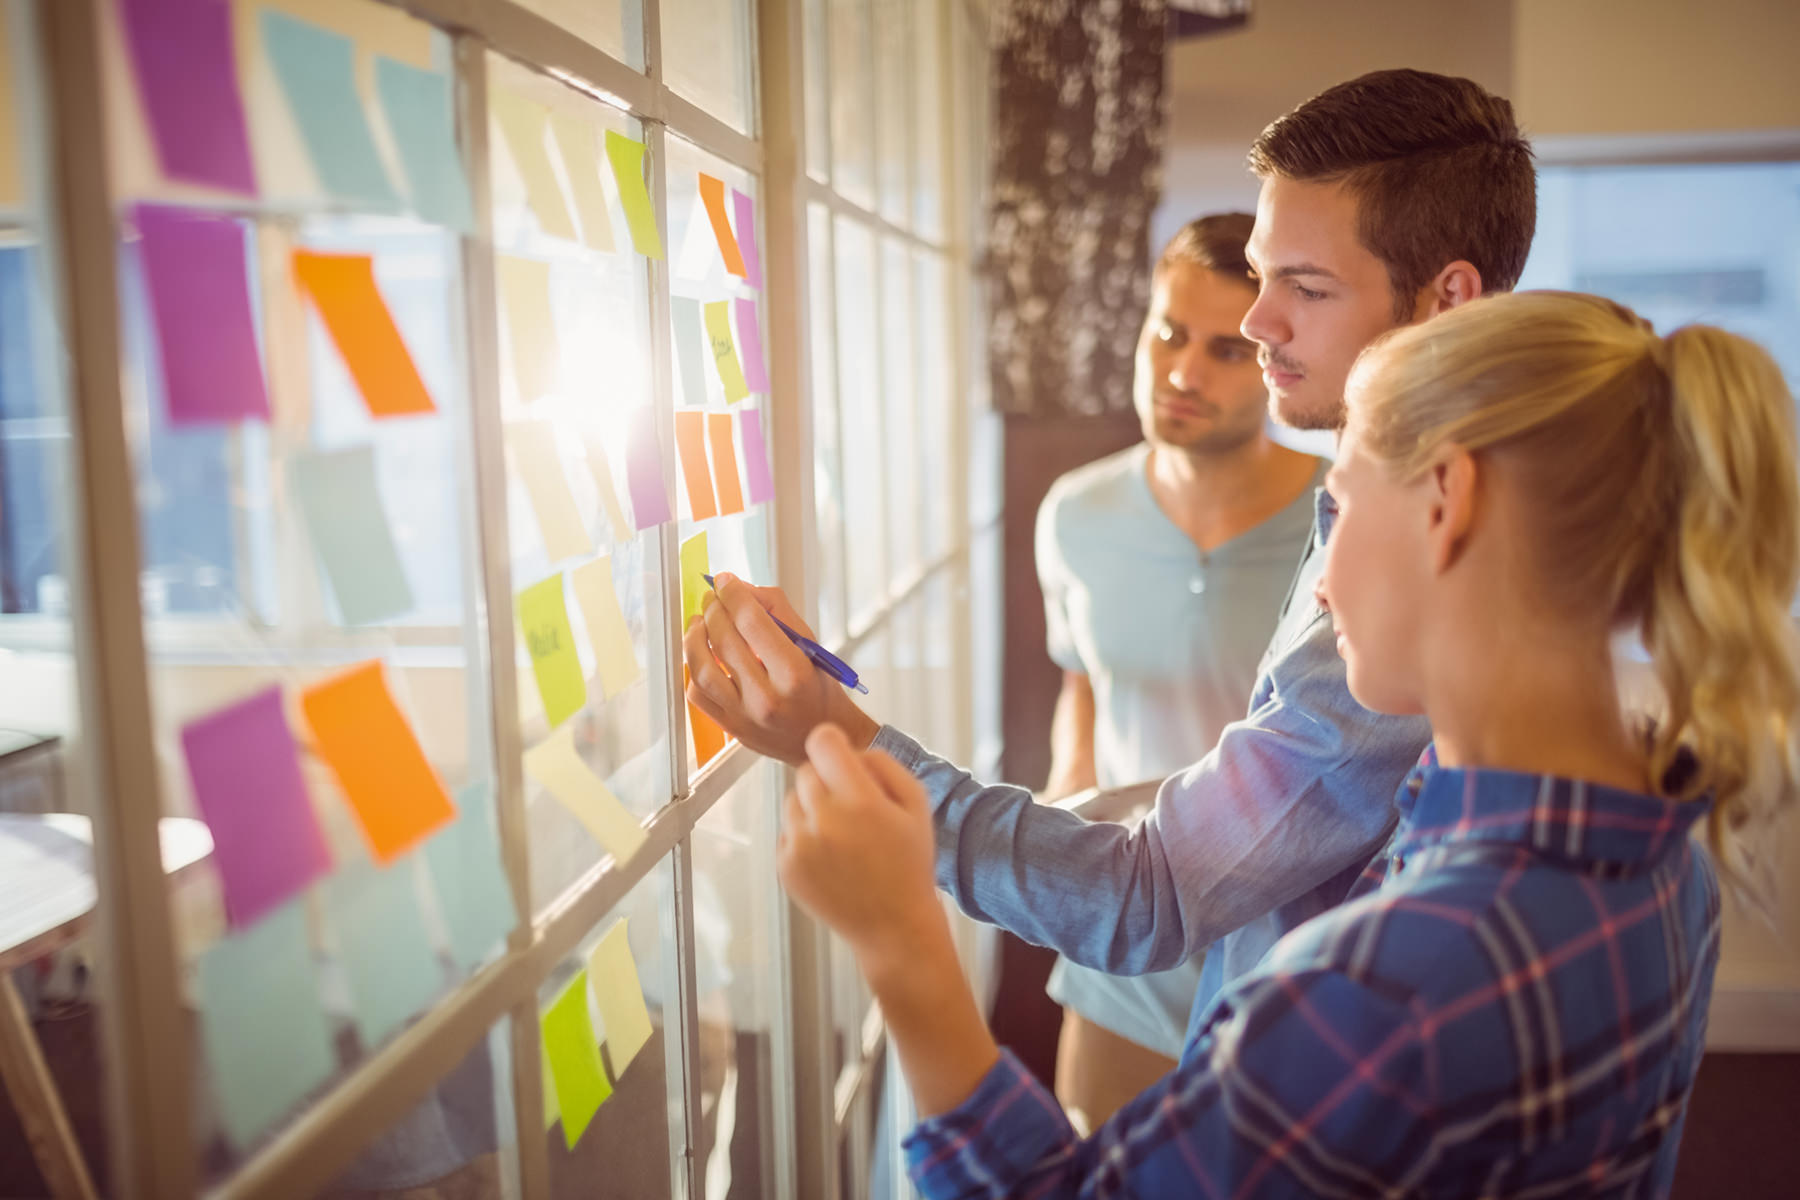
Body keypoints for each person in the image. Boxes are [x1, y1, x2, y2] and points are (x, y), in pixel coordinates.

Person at [778, 290, 1800, 1195]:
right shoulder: (1667, 851)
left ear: (1449, 503)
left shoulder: (1385, 992)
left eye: (1342, 503)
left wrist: (901, 941)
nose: (1318, 580)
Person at [683, 68, 1531, 1036]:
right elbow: (1253, 785)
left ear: (1446, 299)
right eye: (1263, 276)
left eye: (1306, 286)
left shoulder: (1430, 557)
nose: (1257, 324)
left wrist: (836, 740)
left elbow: (1152, 897)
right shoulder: (1364, 498)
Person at [1035, 212, 1321, 1127]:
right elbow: (1082, 681)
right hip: (1122, 927)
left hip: (1285, 943)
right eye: (1168, 333)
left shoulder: (1342, 522)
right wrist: (1064, 796)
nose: (1183, 372)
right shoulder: (1073, 515)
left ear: (1274, 357)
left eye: (1226, 351)